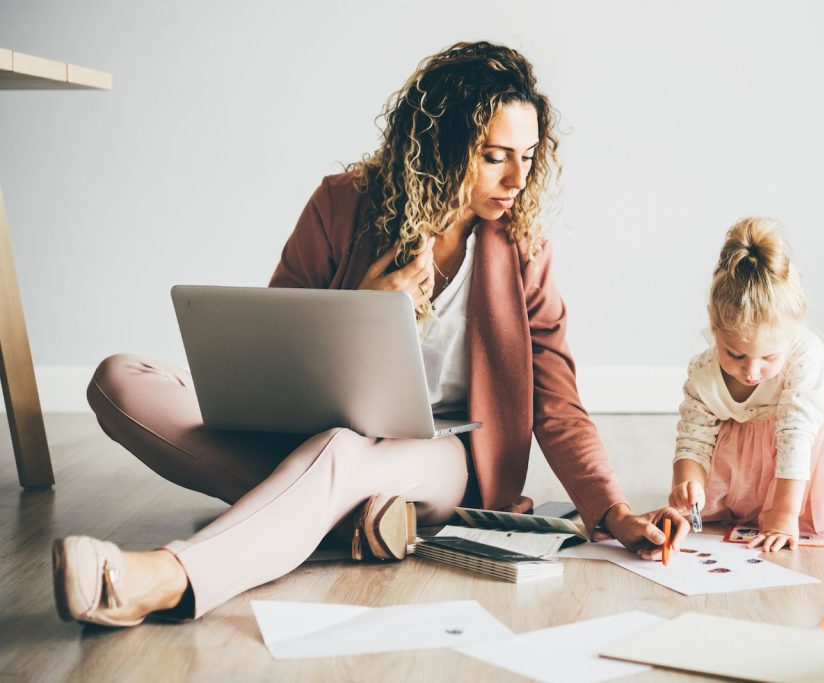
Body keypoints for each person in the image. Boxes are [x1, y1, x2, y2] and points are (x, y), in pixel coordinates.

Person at [52, 41, 685, 628]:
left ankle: (164, 577)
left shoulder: (523, 247)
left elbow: (555, 398)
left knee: (339, 452)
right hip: (315, 431)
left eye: (528, 156)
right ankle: (355, 518)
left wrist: (614, 511)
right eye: (494, 157)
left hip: (443, 452)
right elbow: (273, 344)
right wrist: (360, 309)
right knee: (119, 381)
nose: (518, 180)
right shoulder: (341, 204)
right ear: (440, 143)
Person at [668, 217, 824, 551]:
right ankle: (756, 496)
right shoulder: (703, 372)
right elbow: (693, 438)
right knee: (705, 490)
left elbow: (795, 435)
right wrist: (688, 482)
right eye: (735, 355)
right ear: (714, 328)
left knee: (809, 475)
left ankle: (785, 502)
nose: (751, 372)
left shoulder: (804, 357)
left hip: (813, 432)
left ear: (790, 336)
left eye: (768, 358)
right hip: (755, 436)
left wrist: (784, 512)